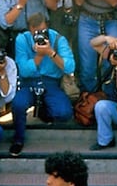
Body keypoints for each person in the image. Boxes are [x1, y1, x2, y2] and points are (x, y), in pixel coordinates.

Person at [9, 13, 75, 157]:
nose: (40, 35)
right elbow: (24, 71)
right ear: (30, 30)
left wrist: (51, 52)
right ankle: (18, 139)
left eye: (43, 31)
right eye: (36, 33)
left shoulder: (58, 39)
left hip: (50, 82)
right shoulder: (22, 39)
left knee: (64, 113)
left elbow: (70, 67)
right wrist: (39, 56)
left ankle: (45, 110)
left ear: (47, 27)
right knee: (18, 104)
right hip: (29, 82)